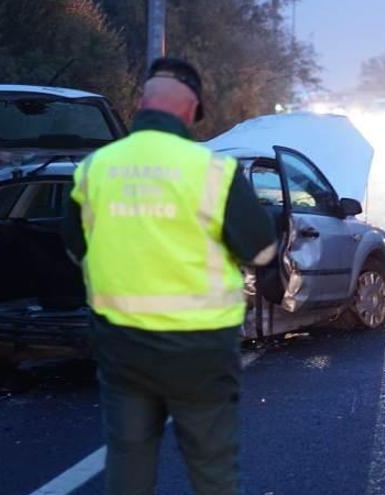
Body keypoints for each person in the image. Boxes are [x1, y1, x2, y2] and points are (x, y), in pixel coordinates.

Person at [62, 57, 277, 495]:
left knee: (127, 457)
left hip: (121, 344)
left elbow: (73, 248)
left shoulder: (94, 169)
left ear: (143, 102)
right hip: (199, 348)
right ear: (190, 109)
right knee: (212, 466)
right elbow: (262, 249)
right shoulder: (213, 170)